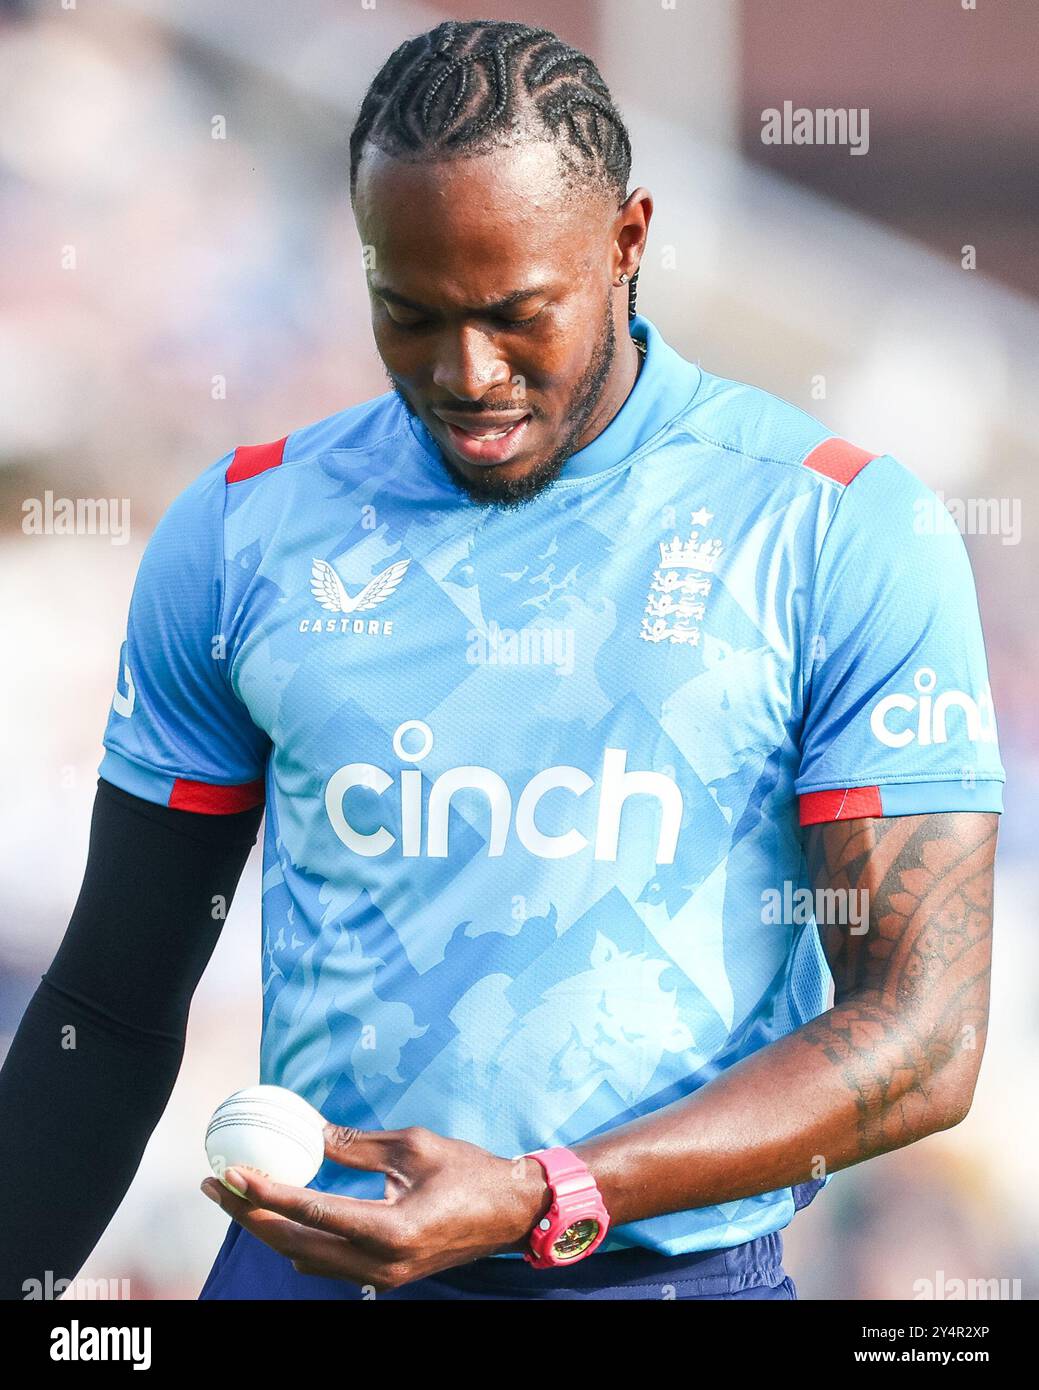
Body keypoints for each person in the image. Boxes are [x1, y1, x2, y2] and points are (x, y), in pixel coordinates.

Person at [0, 19, 1004, 1302]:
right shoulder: (243, 531)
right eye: (406, 316)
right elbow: (112, 1001)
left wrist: (549, 1193)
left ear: (628, 242)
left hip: (660, 1280)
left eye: (515, 315)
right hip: (300, 1275)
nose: (465, 374)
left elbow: (922, 1037)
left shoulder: (834, 526)